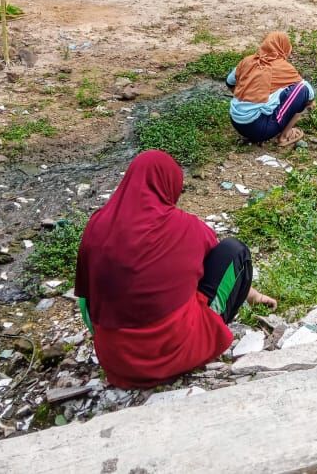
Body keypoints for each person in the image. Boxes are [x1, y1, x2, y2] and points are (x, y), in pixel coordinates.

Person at [75, 150, 277, 389]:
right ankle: (211, 332)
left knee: (86, 288)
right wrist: (252, 294)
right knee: (235, 251)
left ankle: (110, 339)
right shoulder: (187, 226)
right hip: (174, 355)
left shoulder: (96, 225)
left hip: (117, 363)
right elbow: (219, 262)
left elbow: (87, 296)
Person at [226, 31, 315, 148]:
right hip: (259, 129)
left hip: (236, 122)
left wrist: (245, 93)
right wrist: (310, 102)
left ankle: (257, 117)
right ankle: (284, 136)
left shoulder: (247, 61)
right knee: (302, 88)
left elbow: (229, 82)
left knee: (275, 93)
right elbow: (309, 92)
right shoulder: (282, 66)